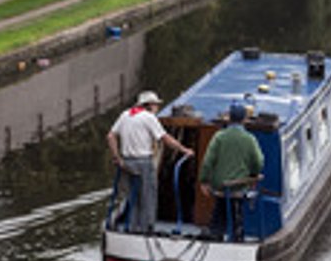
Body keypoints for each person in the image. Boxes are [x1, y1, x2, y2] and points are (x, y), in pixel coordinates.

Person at [107, 90, 191, 232]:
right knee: (148, 197)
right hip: (143, 162)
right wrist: (184, 150)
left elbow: (110, 136)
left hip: (126, 162)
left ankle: (131, 228)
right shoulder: (148, 118)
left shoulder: (125, 115)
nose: (157, 108)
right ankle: (146, 230)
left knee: (132, 197)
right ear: (150, 105)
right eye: (156, 105)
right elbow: (165, 138)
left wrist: (117, 157)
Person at [199, 102, 265, 240]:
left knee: (220, 208)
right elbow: (258, 162)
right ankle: (237, 236)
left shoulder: (219, 137)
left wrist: (204, 181)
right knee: (237, 209)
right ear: (244, 119)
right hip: (239, 185)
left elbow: (208, 161)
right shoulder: (250, 139)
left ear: (229, 118)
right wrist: (253, 174)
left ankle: (216, 234)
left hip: (220, 185)